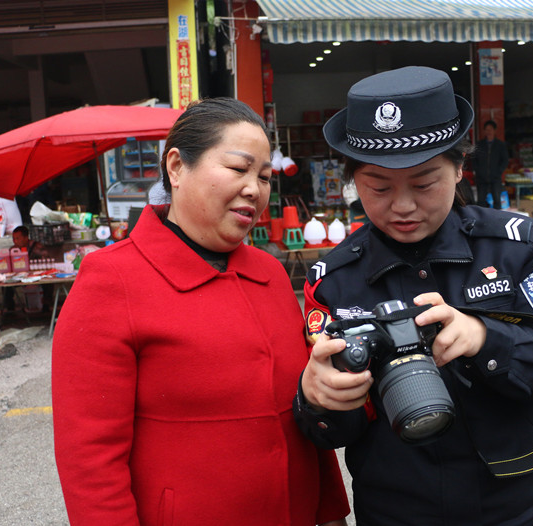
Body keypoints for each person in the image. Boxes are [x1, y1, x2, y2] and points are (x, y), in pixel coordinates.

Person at [293, 66, 533, 525]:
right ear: (353, 181)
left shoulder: (516, 245)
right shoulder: (332, 280)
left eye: (425, 183)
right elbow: (329, 434)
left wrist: (484, 339)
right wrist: (316, 399)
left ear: (460, 168)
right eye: (379, 187)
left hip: (518, 510)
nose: (403, 205)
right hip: (397, 511)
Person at [51, 98, 350, 526]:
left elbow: (299, 413)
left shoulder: (270, 273)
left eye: (264, 177)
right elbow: (89, 458)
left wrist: (331, 513)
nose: (255, 188)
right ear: (176, 167)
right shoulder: (112, 279)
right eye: (238, 169)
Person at [3, 225, 49, 312]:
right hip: (19, 277)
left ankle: (46, 305)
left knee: (48, 284)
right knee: (6, 286)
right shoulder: (13, 250)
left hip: (36, 276)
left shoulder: (37, 247)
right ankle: (10, 309)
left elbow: (46, 257)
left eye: (18, 238)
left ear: (26, 237)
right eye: (13, 239)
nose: (15, 241)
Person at [472, 119, 509, 209]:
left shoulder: (500, 145)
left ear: (495, 130)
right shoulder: (479, 144)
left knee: (497, 200)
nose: (489, 132)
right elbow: (474, 159)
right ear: (484, 131)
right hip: (481, 177)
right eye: (487, 130)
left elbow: (505, 160)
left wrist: (499, 171)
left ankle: (498, 220)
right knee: (481, 201)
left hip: (495, 177)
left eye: (491, 129)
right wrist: (478, 170)